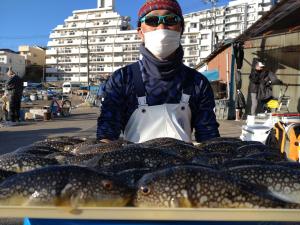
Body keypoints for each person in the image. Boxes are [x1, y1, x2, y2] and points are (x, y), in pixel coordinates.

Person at [96, 0, 220, 143]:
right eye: (152, 20)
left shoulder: (198, 83)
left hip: (185, 164)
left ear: (181, 29)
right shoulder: (123, 79)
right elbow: (106, 136)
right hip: (134, 163)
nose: (161, 26)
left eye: (170, 19)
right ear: (140, 32)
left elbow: (209, 137)